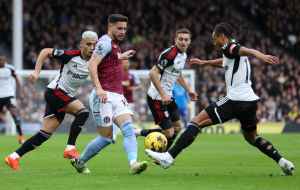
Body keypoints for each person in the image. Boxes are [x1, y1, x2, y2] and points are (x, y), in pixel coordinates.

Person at [145, 22, 295, 176]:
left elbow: (242, 50)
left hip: (235, 100)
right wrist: (205, 63)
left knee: (196, 122)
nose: (214, 42)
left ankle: (168, 157)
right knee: (253, 138)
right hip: (250, 101)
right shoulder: (233, 52)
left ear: (222, 36)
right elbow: (225, 62)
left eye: (214, 39)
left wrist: (261, 55)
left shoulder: (229, 46)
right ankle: (283, 162)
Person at [5, 31, 98, 170]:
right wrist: (37, 71)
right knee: (83, 113)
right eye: (89, 44)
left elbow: (112, 59)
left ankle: (13, 157)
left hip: (62, 95)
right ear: (82, 44)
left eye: (94, 45)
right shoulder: (71, 55)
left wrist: (122, 56)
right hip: (55, 92)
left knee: (44, 134)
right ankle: (70, 148)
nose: (92, 47)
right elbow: (45, 51)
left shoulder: (95, 60)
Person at [70, 14, 148, 174]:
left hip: (118, 96)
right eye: (119, 28)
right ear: (110, 27)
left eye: (125, 29)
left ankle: (133, 163)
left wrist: (120, 56)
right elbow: (92, 65)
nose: (122, 32)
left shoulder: (114, 45)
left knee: (128, 129)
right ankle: (81, 161)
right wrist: (98, 88)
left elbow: (108, 61)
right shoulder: (105, 42)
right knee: (106, 138)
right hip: (103, 96)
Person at [134, 29, 198, 165]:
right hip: (157, 97)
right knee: (168, 134)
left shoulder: (183, 54)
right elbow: (152, 73)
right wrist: (162, 93)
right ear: (175, 40)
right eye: (180, 39)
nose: (183, 42)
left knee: (178, 127)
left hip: (168, 96)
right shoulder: (169, 55)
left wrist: (188, 90)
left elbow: (178, 74)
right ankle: (138, 132)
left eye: (186, 40)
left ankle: (162, 157)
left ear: (189, 42)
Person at [112, 59, 141, 144]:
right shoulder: (118, 73)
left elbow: (139, 86)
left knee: (128, 120)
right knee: (115, 117)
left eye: (127, 63)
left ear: (129, 64)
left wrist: (134, 88)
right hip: (118, 100)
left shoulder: (133, 74)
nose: (125, 64)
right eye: (123, 63)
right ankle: (113, 136)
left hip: (129, 101)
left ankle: (129, 138)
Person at [0, 54, 25, 144]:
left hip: (9, 94)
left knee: (13, 113)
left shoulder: (10, 68)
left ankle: (21, 136)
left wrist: (21, 93)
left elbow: (17, 80)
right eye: (0, 60)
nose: (2, 62)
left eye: (3, 60)